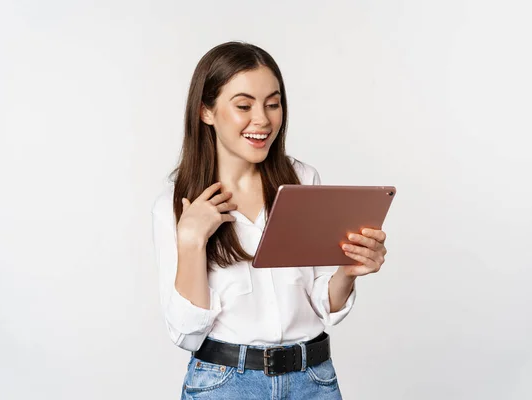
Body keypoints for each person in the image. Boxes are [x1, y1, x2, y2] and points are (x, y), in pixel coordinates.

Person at [152, 41, 388, 400]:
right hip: (225, 385)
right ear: (206, 112)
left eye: (273, 104)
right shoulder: (176, 203)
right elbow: (187, 334)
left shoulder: (303, 181)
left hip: (314, 380)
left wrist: (348, 271)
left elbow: (325, 303)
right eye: (244, 105)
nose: (262, 119)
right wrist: (191, 241)